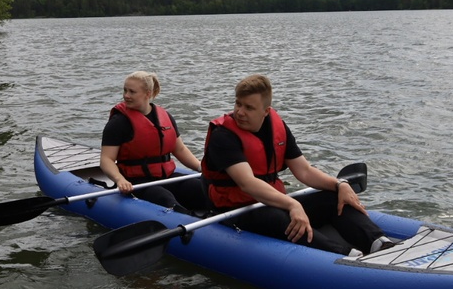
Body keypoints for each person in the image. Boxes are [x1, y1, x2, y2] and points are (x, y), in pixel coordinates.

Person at [201, 74, 394, 256]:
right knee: (277, 218)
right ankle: (343, 257)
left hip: (273, 201)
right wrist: (292, 204)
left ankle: (379, 243)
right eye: (238, 104)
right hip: (236, 210)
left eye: (249, 108)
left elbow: (305, 171)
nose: (240, 112)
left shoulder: (277, 128)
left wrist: (339, 184)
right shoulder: (223, 136)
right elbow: (247, 183)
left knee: (332, 198)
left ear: (266, 112)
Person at [100, 71, 208, 214]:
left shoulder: (165, 116)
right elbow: (106, 159)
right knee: (165, 199)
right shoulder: (118, 123)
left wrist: (201, 168)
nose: (126, 95)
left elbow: (180, 150)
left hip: (165, 177)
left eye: (132, 92)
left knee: (202, 189)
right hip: (136, 182)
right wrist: (120, 180)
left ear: (147, 94)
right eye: (125, 90)